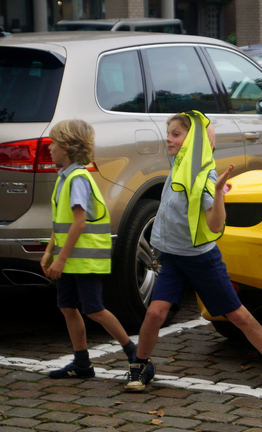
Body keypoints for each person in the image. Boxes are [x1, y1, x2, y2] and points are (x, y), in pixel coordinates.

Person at [124, 110, 262, 392]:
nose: (168, 139)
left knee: (237, 315)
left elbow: (216, 224)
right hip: (173, 257)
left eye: (175, 134)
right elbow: (204, 136)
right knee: (156, 312)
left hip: (202, 260)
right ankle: (140, 365)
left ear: (191, 141)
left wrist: (218, 193)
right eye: (168, 133)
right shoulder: (180, 162)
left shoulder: (204, 176)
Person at [41, 119, 136, 379]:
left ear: (68, 147)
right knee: (67, 307)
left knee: (94, 308)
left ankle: (135, 355)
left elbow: (80, 222)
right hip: (70, 261)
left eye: (54, 144)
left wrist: (59, 259)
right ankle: (82, 363)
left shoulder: (78, 179)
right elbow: (62, 223)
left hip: (84, 261)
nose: (50, 148)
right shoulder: (65, 178)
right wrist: (50, 251)